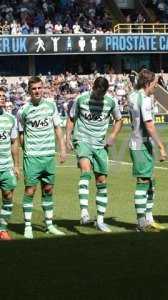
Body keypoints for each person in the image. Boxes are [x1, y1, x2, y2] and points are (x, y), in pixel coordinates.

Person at [66, 77, 123, 232]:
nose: (99, 96)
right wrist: (67, 137)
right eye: (97, 93)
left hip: (100, 144)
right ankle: (84, 212)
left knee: (101, 180)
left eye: (102, 94)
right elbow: (71, 118)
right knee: (85, 169)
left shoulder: (110, 101)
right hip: (83, 139)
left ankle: (100, 220)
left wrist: (113, 136)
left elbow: (119, 120)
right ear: (93, 87)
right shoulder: (81, 99)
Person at [17, 77, 66, 239]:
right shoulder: (23, 110)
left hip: (48, 156)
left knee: (48, 189)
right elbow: (21, 134)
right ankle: (28, 226)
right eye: (34, 89)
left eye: (39, 88)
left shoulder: (51, 106)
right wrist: (27, 150)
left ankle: (49, 225)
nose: (37, 91)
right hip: (32, 157)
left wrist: (62, 148)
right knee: (30, 190)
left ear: (43, 88)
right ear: (29, 91)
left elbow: (58, 128)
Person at [128, 69, 167, 232]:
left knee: (150, 180)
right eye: (154, 85)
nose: (156, 88)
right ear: (147, 83)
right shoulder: (144, 100)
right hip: (141, 144)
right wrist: (161, 145)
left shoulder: (132, 96)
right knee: (143, 181)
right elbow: (149, 125)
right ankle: (141, 222)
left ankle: (148, 218)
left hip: (139, 142)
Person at [0, 87, 20, 240]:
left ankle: (2, 228)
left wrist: (16, 165)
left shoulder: (10, 118)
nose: (1, 98)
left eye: (2, 96)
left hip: (6, 166)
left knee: (8, 196)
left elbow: (14, 143)